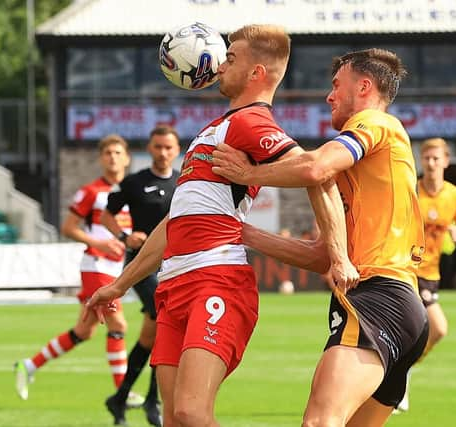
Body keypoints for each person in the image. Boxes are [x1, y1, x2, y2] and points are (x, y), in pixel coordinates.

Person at [84, 25, 335, 427]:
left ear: (256, 73)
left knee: (191, 413)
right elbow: (173, 222)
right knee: (175, 421)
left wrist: (332, 251)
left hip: (215, 279)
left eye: (230, 57)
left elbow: (316, 169)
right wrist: (120, 284)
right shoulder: (214, 129)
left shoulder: (250, 123)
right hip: (173, 287)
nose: (220, 64)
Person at [212, 48, 429, 426]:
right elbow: (322, 257)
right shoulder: (366, 172)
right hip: (400, 305)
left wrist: (248, 175)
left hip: (378, 298)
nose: (328, 96)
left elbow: (315, 167)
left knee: (319, 422)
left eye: (335, 86)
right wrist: (244, 233)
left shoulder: (376, 123)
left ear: (364, 87)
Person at [14, 134, 132, 401]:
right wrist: (98, 243)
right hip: (96, 265)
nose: (112, 157)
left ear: (126, 158)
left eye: (117, 153)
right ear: (101, 159)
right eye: (107, 153)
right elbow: (68, 227)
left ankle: (28, 365)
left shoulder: (132, 190)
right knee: (118, 324)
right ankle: (122, 392)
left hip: (117, 267)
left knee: (84, 330)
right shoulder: (91, 192)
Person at [101, 125, 181, 426]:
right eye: (158, 147)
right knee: (166, 318)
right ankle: (152, 402)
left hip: (171, 266)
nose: (163, 152)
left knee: (152, 334)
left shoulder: (183, 183)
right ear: (149, 148)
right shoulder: (134, 182)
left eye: (168, 148)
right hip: (141, 266)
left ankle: (121, 398)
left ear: (176, 151)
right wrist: (123, 237)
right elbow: (107, 214)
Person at [394, 137, 456, 411]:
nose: (430, 163)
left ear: (446, 161)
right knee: (430, 326)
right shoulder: (411, 190)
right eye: (426, 158)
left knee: (435, 331)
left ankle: (401, 372)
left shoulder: (455, 195)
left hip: (432, 273)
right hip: (406, 268)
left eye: (436, 158)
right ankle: (396, 379)